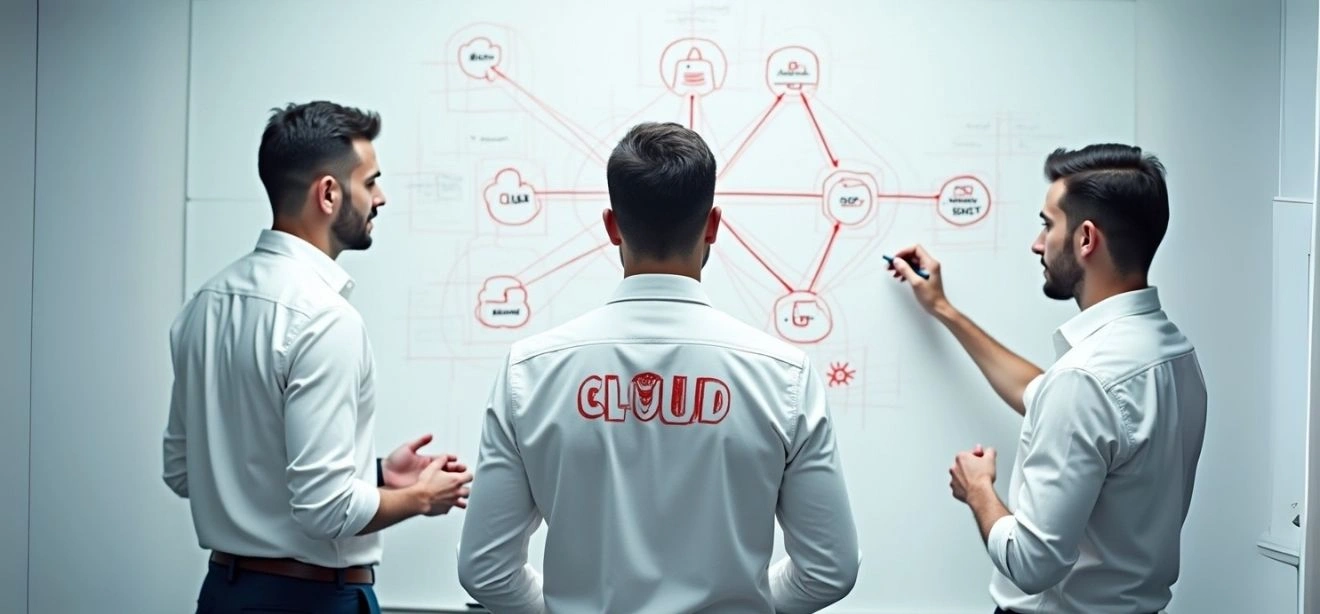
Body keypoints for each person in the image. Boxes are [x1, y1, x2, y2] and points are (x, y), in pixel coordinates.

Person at [456, 122, 861, 613]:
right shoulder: (784, 376)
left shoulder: (530, 371)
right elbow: (830, 568)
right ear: (713, 225)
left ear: (612, 226)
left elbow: (486, 569)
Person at [162, 100, 473, 614]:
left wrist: (374, 473)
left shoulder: (204, 305)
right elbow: (326, 511)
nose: (380, 198)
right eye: (370, 182)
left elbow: (183, 472)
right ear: (328, 193)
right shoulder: (324, 319)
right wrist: (421, 497)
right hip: (312, 600)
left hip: (223, 596)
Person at [887, 144, 1207, 613]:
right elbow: (1038, 392)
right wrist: (943, 309)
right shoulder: (1170, 352)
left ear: (1085, 238)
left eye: (1047, 224)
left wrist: (978, 489)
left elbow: (1031, 563)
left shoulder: (1085, 378)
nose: (1038, 243)